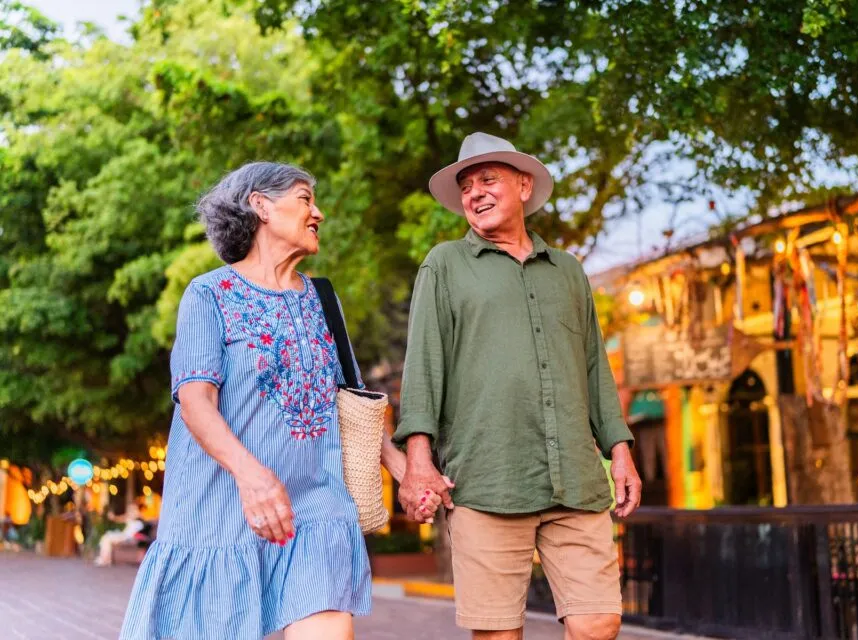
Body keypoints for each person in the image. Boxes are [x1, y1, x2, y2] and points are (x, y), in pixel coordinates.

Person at [119, 163, 442, 640]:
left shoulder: (322, 299)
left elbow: (350, 405)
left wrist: (405, 473)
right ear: (261, 206)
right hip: (221, 514)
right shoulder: (209, 295)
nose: (319, 213)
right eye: (305, 198)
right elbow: (195, 401)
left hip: (316, 513)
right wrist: (251, 477)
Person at [394, 132, 643, 640]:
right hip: (488, 480)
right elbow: (423, 368)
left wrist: (620, 451)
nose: (475, 193)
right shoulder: (444, 265)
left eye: (488, 179)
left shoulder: (568, 271)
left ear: (524, 186)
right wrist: (418, 462)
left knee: (599, 623)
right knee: (499, 634)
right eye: (466, 187)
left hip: (575, 479)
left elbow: (594, 368)